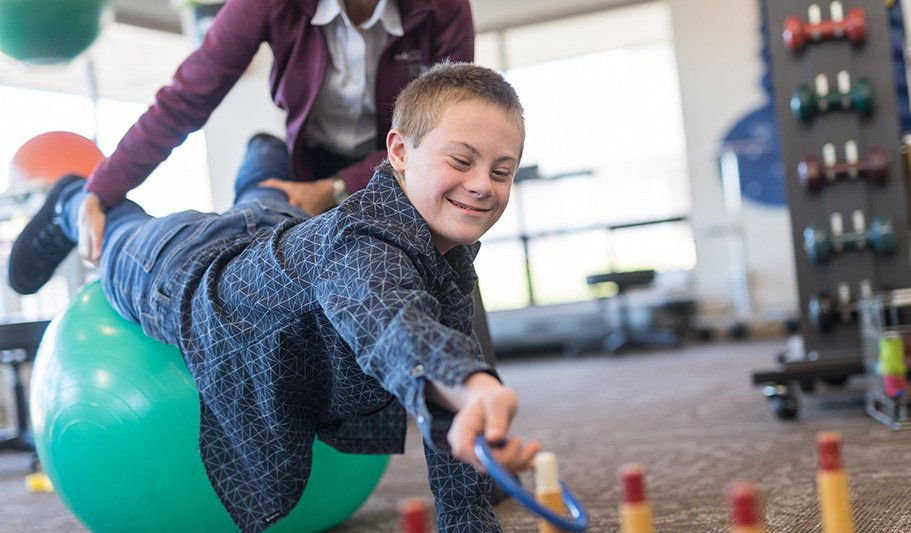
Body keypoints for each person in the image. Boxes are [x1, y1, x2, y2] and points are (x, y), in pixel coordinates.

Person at [7, 62, 538, 533]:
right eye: (461, 160)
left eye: (501, 171)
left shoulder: (445, 260)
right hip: (186, 266)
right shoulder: (360, 246)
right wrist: (468, 384)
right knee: (118, 232)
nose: (481, 185)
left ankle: (263, 157)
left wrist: (469, 511)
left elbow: (441, 390)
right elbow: (391, 318)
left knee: (266, 200)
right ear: (399, 152)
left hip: (279, 229)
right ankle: (69, 197)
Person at [74, 0, 474, 265]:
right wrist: (102, 190)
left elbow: (442, 130)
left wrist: (338, 188)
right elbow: (185, 98)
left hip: (404, 168)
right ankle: (69, 199)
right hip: (304, 161)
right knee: (266, 225)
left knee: (436, 266)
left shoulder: (444, 7)